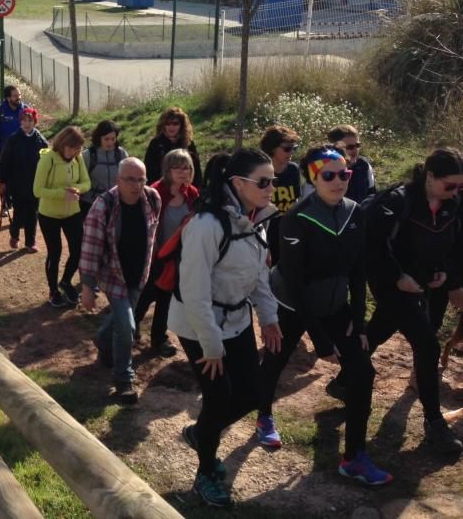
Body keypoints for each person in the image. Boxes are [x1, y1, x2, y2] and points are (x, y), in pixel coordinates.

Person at [257, 146, 392, 484]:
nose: (338, 181)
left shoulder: (355, 212)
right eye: (328, 175)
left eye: (344, 174)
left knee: (363, 371)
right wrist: (320, 341)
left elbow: (359, 271)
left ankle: (355, 457)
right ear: (313, 178)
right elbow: (295, 281)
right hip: (292, 303)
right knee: (276, 361)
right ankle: (263, 415)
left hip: (334, 304)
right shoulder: (296, 217)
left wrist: (358, 321)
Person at [170, 149, 282, 508]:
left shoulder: (257, 219)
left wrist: (269, 317)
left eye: (273, 181)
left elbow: (259, 274)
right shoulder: (207, 226)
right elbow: (195, 291)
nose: (271, 188)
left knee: (251, 394)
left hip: (236, 319)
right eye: (263, 182)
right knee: (218, 398)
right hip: (197, 324)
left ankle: (200, 433)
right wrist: (212, 347)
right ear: (237, 183)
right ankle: (205, 475)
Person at [335, 148, 463, 454]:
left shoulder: (452, 204)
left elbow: (450, 245)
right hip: (388, 281)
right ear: (430, 177)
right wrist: (396, 277)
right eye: (450, 186)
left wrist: (442, 273)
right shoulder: (396, 202)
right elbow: (372, 247)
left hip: (419, 282)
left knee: (381, 326)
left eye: (461, 187)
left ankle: (343, 378)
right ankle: (434, 424)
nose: (456, 192)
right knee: (428, 344)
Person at [81, 158, 161, 404]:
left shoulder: (153, 199)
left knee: (120, 320)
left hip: (139, 274)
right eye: (129, 179)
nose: (136, 185)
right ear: (118, 180)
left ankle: (102, 339)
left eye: (140, 179)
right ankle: (123, 380)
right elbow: (91, 248)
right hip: (113, 275)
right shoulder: (102, 206)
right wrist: (87, 285)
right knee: (127, 327)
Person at [135, 149, 200, 356]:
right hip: (153, 259)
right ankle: (122, 332)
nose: (183, 172)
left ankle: (159, 339)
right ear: (167, 169)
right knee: (143, 299)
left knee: (166, 301)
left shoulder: (192, 194)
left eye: (187, 167)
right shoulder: (153, 192)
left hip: (177, 259)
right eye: (178, 167)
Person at [33, 126, 91, 308]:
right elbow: (37, 190)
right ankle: (53, 291)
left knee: (78, 249)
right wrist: (61, 193)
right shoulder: (47, 159)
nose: (75, 152)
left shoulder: (78, 158)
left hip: (72, 212)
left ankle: (65, 281)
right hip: (49, 214)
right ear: (63, 144)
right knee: (55, 252)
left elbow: (87, 182)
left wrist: (78, 189)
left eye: (78, 149)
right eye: (73, 148)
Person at [0, 107, 47, 252]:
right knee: (18, 213)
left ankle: (30, 242)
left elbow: (47, 162)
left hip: (34, 185)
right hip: (16, 184)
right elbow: (4, 161)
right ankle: (14, 235)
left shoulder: (41, 141)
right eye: (24, 120)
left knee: (32, 214)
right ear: (20, 122)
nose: (27, 123)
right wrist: (2, 180)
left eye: (30, 120)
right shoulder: (13, 139)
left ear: (35, 122)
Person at [260, 124, 302, 263]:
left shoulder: (293, 170)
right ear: (272, 149)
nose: (291, 153)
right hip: (266, 233)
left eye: (293, 148)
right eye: (286, 149)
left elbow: (295, 202)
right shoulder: (260, 172)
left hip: (287, 231)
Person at [143, 107, 203, 189]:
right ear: (163, 125)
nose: (171, 127)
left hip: (185, 189)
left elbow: (196, 170)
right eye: (167, 123)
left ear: (181, 125)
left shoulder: (188, 143)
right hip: (162, 189)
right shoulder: (156, 144)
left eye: (175, 123)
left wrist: (198, 190)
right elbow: (148, 171)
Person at [81, 120, 129, 218]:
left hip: (115, 203)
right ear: (99, 138)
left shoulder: (121, 154)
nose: (110, 142)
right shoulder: (88, 155)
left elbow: (128, 177)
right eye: (106, 139)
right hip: (91, 204)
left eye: (113, 139)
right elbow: (80, 180)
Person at [327, 124, 376, 202]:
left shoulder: (364, 165)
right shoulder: (324, 169)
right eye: (349, 147)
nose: (355, 150)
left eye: (357, 145)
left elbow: (372, 195)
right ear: (335, 148)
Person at [0, 85, 28, 161]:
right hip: (4, 152)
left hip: (23, 152)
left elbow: (33, 130)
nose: (18, 97)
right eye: (15, 96)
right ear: (8, 98)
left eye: (19, 95)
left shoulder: (26, 110)